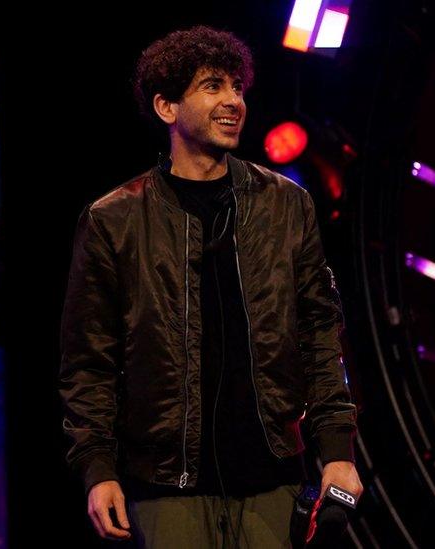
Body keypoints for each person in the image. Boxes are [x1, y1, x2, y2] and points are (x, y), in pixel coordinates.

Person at [59, 25, 362, 548]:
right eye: (212, 86)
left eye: (238, 87)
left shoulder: (286, 205)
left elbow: (320, 336)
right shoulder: (115, 218)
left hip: (272, 481)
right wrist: (97, 468)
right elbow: (89, 361)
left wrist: (337, 451)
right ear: (167, 108)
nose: (233, 101)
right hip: (166, 487)